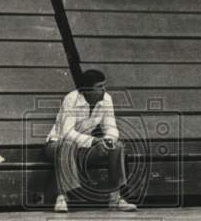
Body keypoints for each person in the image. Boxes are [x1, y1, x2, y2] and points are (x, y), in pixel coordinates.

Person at [45, 69, 137, 213]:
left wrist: (107, 142)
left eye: (104, 85)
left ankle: (115, 198)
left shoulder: (107, 98)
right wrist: (94, 141)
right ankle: (62, 197)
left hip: (83, 148)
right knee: (67, 145)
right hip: (57, 144)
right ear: (87, 90)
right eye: (100, 87)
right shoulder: (71, 98)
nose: (104, 90)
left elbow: (112, 129)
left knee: (117, 146)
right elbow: (67, 133)